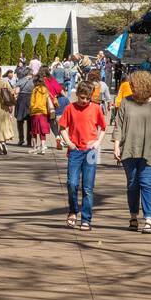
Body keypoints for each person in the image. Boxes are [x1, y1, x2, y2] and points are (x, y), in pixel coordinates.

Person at [113, 70, 151, 234]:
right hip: (129, 150)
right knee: (133, 185)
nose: (130, 87)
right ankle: (133, 216)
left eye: (133, 85)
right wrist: (116, 145)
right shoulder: (126, 102)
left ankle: (148, 219)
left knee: (146, 183)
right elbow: (118, 125)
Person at [59, 80, 107, 230]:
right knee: (72, 184)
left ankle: (86, 219)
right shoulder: (70, 108)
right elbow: (62, 127)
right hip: (75, 150)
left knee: (88, 187)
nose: (84, 101)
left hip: (91, 151)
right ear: (77, 95)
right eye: (82, 98)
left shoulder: (96, 108)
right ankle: (73, 211)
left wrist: (98, 142)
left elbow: (103, 127)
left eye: (87, 98)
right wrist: (69, 142)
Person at [28, 72, 55, 154]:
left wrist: (31, 109)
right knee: (42, 131)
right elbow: (49, 100)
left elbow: (32, 102)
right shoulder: (45, 90)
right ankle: (43, 147)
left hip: (35, 112)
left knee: (34, 131)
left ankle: (35, 147)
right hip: (44, 112)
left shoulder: (35, 90)